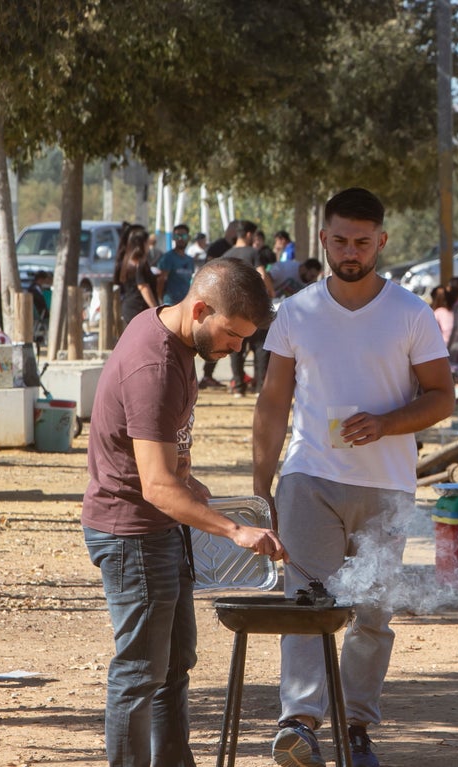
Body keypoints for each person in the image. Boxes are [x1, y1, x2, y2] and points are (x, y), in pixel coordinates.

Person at [253, 187, 454, 767]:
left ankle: (358, 726)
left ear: (381, 242)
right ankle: (300, 724)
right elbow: (271, 404)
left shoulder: (410, 313)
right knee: (306, 605)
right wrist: (262, 486)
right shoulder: (295, 312)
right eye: (340, 239)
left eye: (362, 242)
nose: (350, 251)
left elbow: (442, 396)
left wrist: (389, 423)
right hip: (308, 477)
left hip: (388, 488)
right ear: (323, 238)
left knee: (372, 615)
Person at [82, 258, 286, 767]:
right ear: (199, 309)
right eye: (233, 335)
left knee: (174, 665)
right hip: (133, 532)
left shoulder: (171, 336)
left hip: (159, 528)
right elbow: (155, 486)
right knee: (139, 674)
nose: (237, 348)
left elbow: (165, 464)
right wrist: (234, 530)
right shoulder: (155, 367)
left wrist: (194, 487)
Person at [222, 221, 263, 395]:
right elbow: (261, 274)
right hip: (252, 307)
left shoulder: (226, 255)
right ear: (248, 235)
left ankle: (239, 387)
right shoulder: (253, 253)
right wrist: (269, 290)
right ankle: (260, 387)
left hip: (231, 307)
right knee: (260, 346)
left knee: (235, 348)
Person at [197, 221, 238, 389]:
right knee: (214, 335)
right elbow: (209, 269)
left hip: (231, 297)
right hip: (215, 296)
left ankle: (230, 376)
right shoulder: (217, 247)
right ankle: (207, 375)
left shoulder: (234, 248)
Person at [114, 224, 158, 327]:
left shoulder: (126, 261)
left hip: (128, 307)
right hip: (139, 308)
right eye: (147, 243)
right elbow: (143, 287)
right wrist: (155, 310)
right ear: (142, 244)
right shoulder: (140, 263)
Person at [156, 223, 196, 306]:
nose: (180, 239)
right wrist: (159, 299)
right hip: (170, 303)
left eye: (184, 236)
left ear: (188, 238)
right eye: (177, 236)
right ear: (173, 238)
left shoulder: (190, 260)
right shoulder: (167, 258)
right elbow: (161, 280)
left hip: (185, 302)